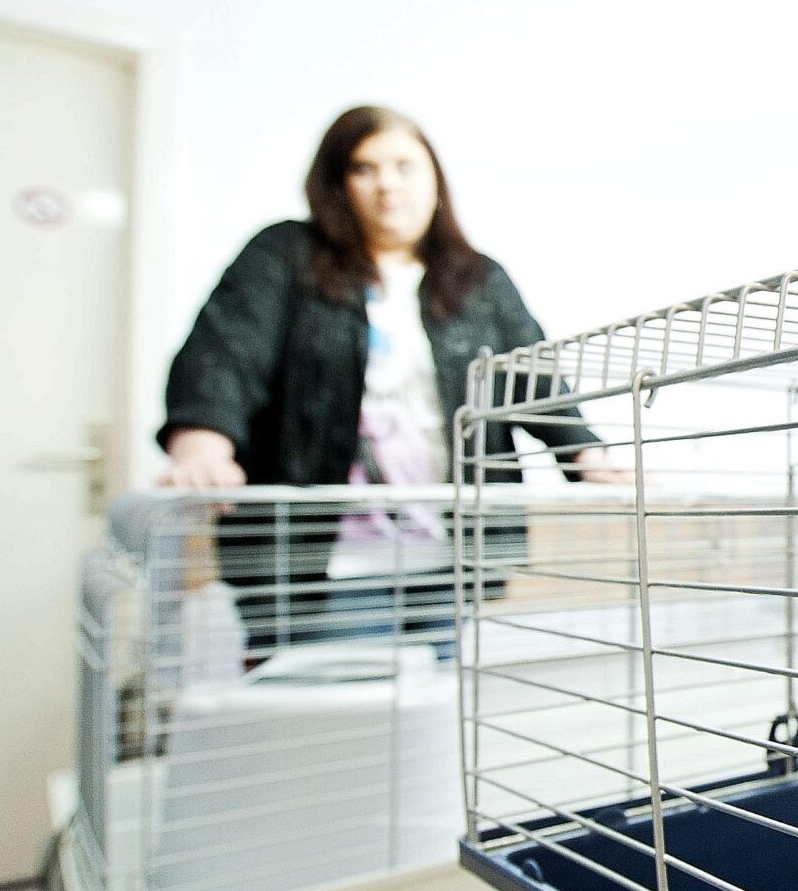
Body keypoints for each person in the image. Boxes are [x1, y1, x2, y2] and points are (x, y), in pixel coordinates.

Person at [158, 105, 610, 649]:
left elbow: (534, 380)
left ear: (434, 177)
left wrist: (585, 454)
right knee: (335, 725)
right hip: (318, 570)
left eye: (404, 166)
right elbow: (228, 346)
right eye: (363, 168)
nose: (387, 185)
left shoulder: (478, 278)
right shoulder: (285, 255)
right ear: (336, 183)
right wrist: (203, 439)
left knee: (432, 721)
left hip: (448, 564)